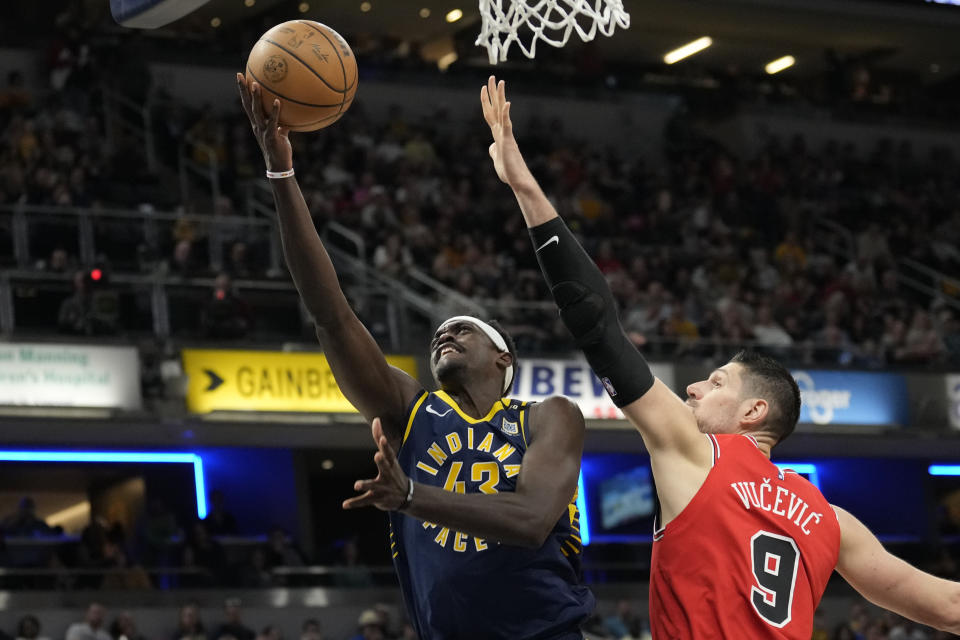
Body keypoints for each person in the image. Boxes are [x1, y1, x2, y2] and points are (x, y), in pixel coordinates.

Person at [481, 75, 960, 638]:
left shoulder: (695, 454)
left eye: (714, 382)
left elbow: (594, 321)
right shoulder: (833, 522)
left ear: (754, 411)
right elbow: (950, 606)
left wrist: (523, 185)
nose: (692, 390)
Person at [237, 73, 593, 640]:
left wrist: (410, 496)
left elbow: (529, 523)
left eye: (464, 331)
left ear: (505, 359)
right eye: (439, 336)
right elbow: (331, 312)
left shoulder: (547, 416)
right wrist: (281, 173)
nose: (444, 336)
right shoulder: (412, 411)